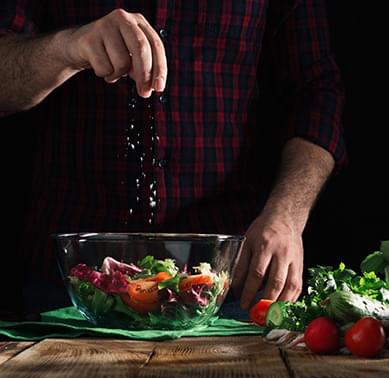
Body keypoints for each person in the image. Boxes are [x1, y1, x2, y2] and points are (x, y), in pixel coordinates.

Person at [0, 0, 346, 317]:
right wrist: (69, 47)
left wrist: (287, 215)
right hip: (74, 289)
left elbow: (315, 91)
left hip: (229, 285)